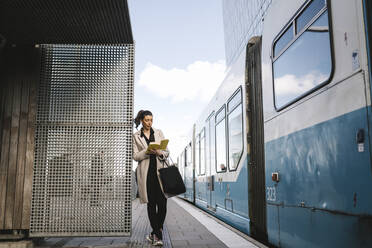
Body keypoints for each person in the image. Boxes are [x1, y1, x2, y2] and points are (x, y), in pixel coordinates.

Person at [133, 110, 169, 246]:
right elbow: (136, 156)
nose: (149, 123)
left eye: (151, 120)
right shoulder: (136, 136)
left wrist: (160, 152)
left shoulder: (158, 132)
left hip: (160, 174)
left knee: (163, 205)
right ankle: (158, 237)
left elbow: (167, 152)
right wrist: (147, 151)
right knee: (151, 204)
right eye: (147, 120)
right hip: (146, 175)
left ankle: (155, 233)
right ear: (142, 120)